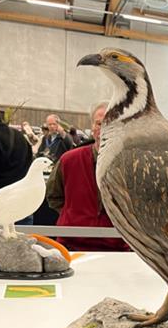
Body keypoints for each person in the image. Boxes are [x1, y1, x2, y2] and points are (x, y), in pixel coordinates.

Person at [45, 101, 129, 251]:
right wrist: (73, 214)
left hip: (118, 248)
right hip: (72, 245)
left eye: (112, 123)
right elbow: (53, 196)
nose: (104, 129)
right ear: (92, 127)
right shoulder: (68, 160)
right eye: (99, 123)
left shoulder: (131, 166)